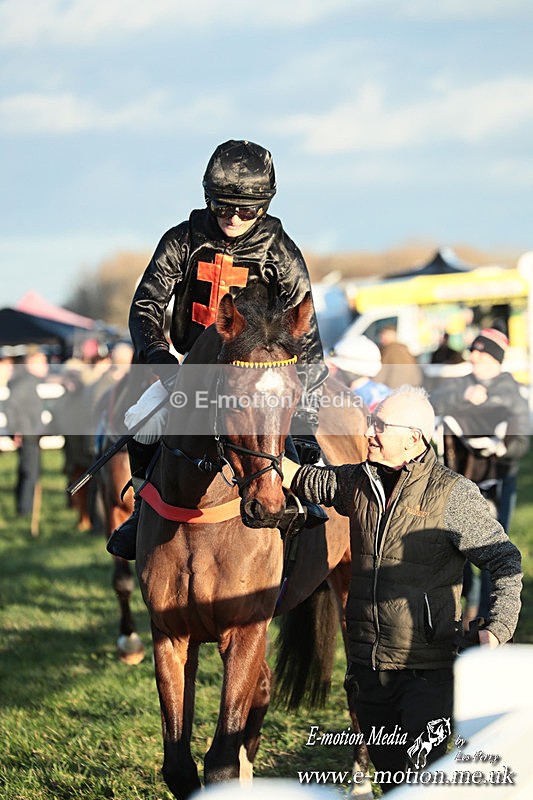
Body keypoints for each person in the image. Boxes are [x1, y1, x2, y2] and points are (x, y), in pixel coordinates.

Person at [282, 385, 522, 792]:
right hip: (367, 667)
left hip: (425, 670)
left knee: (420, 782)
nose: (369, 431)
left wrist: (497, 628)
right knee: (393, 782)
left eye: (379, 425)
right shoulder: (358, 480)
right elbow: (305, 479)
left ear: (413, 439)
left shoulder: (452, 494)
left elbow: (504, 559)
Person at [106, 139, 328, 560]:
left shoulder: (281, 250)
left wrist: (306, 401)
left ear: (263, 206)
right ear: (209, 199)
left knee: (295, 438)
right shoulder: (183, 239)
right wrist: (160, 359)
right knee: (140, 421)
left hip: (258, 371)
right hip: (192, 366)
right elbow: (146, 305)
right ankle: (142, 509)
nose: (233, 218)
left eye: (246, 211)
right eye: (223, 207)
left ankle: (303, 505)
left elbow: (307, 331)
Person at [431, 327, 529, 621]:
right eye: (473, 350)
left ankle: (491, 619)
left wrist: (500, 450)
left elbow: (521, 439)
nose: (472, 356)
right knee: (457, 548)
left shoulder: (513, 391)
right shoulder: (460, 384)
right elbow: (433, 404)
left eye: (480, 351)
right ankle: (464, 613)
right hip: (460, 479)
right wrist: (464, 397)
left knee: (494, 546)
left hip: (499, 480)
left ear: (494, 357)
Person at [5, 347, 48, 517]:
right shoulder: (25, 382)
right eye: (42, 362)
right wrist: (17, 429)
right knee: (30, 472)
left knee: (28, 471)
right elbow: (11, 406)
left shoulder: (30, 381)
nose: (46, 366)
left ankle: (23, 508)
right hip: (28, 433)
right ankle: (25, 510)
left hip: (31, 432)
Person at [328, 335, 391, 411]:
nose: (330, 371)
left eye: (334, 366)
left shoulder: (375, 400)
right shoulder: (377, 392)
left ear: (352, 371)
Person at [375, 324, 422, 389]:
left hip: (394, 389)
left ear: (391, 335)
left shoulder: (391, 351)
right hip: (409, 389)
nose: (381, 338)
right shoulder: (404, 350)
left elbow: (381, 374)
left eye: (383, 335)